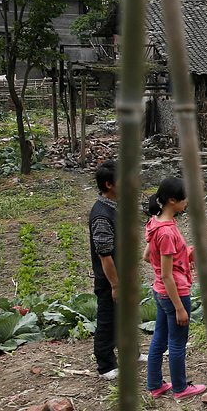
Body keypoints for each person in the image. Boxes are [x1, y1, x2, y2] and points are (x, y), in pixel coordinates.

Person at [143, 177, 207, 400]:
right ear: (172, 200)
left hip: (159, 292)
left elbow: (147, 256)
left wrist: (184, 254)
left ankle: (155, 384)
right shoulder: (168, 233)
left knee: (159, 338)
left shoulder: (155, 224)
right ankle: (180, 388)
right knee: (177, 343)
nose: (187, 202)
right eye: (184, 198)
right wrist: (180, 308)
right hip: (174, 293)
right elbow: (168, 275)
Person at [89, 161, 120, 380]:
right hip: (109, 279)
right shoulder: (101, 215)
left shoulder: (114, 207)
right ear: (109, 185)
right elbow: (104, 254)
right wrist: (115, 284)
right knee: (107, 319)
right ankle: (105, 364)